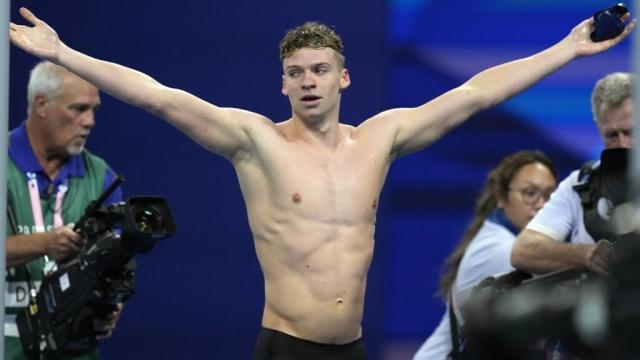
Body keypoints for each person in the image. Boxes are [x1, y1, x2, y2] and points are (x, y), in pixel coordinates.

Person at [9, 7, 635, 359]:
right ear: (281, 84)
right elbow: (161, 98)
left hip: (352, 348)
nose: (307, 81)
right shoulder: (255, 143)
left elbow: (474, 93)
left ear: (344, 79)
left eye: (319, 69)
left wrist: (565, 48)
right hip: (285, 347)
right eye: (295, 72)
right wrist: (63, 54)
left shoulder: (380, 139)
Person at [5, 61, 124, 360]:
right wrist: (45, 243)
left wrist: (110, 307)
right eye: (79, 108)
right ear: (42, 104)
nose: (90, 121)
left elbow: (116, 265)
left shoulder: (102, 177)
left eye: (94, 110)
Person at [413, 151, 557, 360]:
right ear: (500, 197)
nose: (542, 204)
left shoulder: (499, 235)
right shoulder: (501, 249)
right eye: (529, 193)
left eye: (550, 195)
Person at [511, 72, 633, 275]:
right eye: (612, 135)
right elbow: (523, 250)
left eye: (631, 132)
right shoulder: (580, 184)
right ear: (599, 129)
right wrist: (585, 255)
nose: (623, 144)